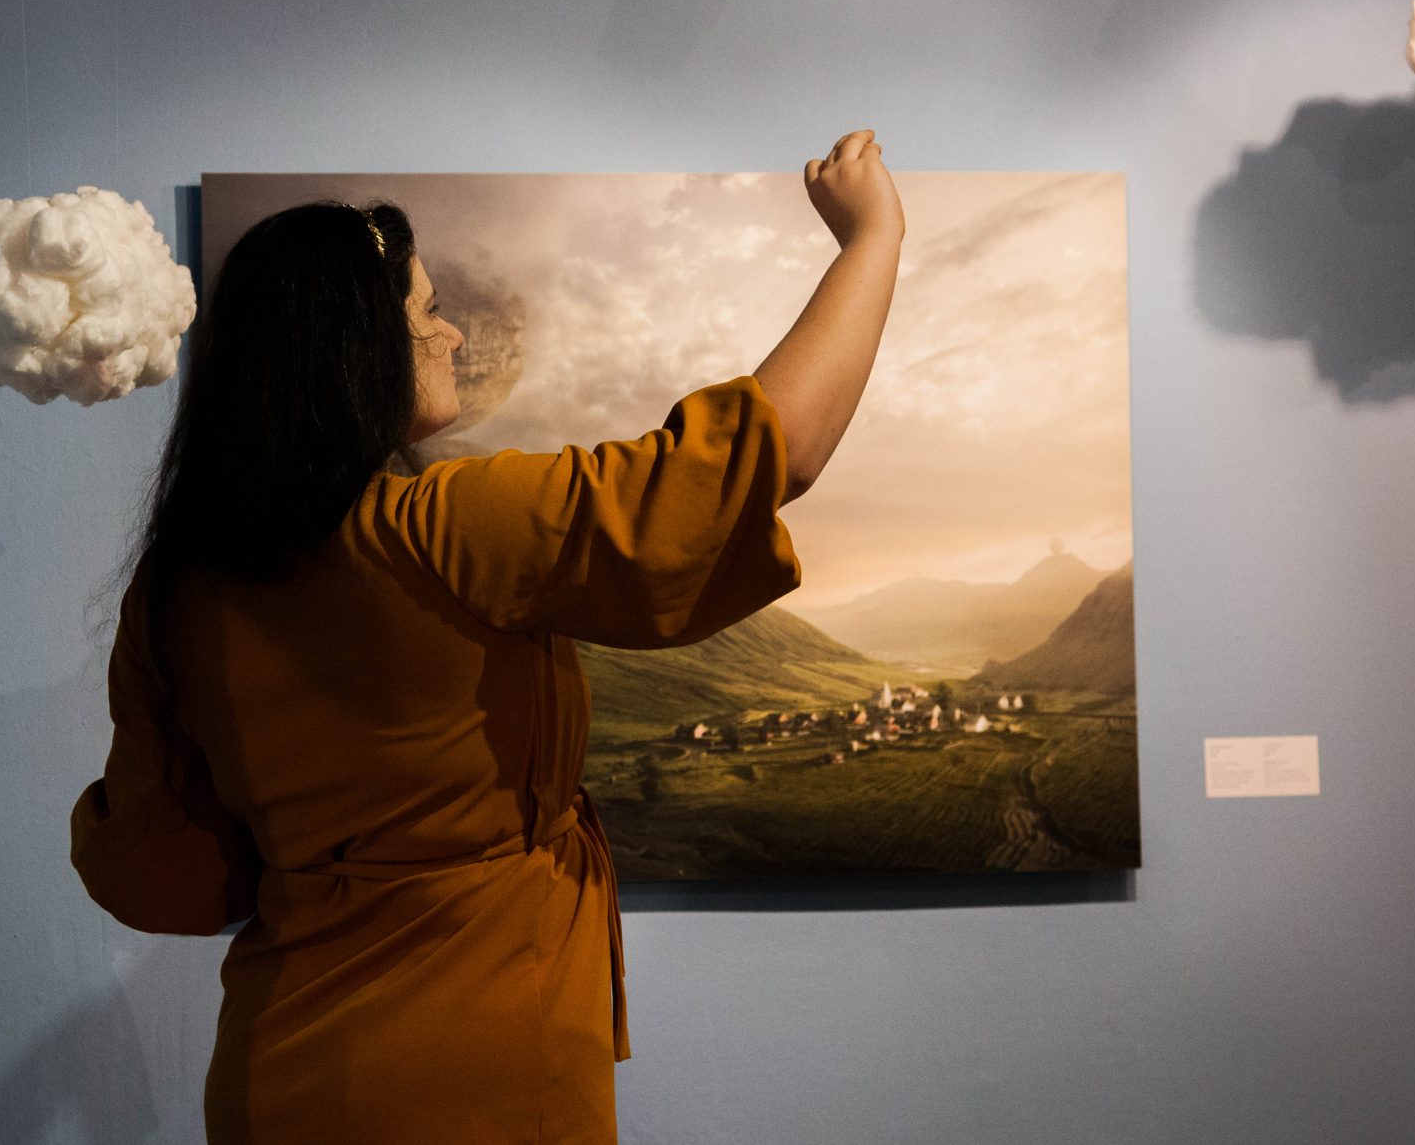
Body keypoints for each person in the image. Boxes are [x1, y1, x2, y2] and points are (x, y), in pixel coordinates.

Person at [70, 129, 905, 1144]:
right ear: (357, 347)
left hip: (281, 1062)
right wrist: (871, 239)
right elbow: (757, 461)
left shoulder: (177, 587)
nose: (454, 335)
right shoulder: (443, 526)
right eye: (428, 311)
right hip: (481, 1062)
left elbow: (153, 867)